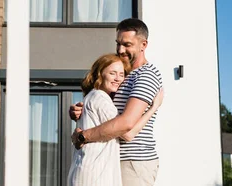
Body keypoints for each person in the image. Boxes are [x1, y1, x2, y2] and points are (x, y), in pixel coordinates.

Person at [69, 18, 164, 186]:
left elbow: (126, 124)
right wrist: (81, 112)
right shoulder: (122, 75)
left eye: (127, 44)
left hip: (133, 161)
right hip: (111, 158)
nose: (121, 50)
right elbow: (107, 113)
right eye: (118, 43)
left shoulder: (146, 76)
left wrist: (85, 136)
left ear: (143, 45)